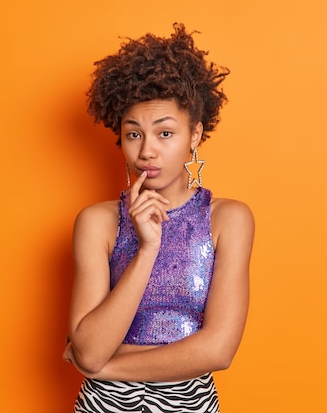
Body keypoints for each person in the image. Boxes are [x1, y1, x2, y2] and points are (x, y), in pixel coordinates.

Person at [63, 23, 255, 413]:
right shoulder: (97, 223)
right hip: (106, 406)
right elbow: (89, 346)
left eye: (165, 134)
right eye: (134, 135)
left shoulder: (228, 219)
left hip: (190, 405)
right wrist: (147, 248)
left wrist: (103, 366)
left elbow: (218, 350)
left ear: (195, 134)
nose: (147, 150)